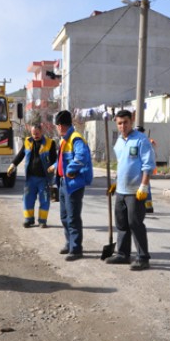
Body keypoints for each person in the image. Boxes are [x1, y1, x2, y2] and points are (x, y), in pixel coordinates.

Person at [106, 110, 156, 271]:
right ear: (116, 124)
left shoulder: (141, 140)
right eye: (119, 123)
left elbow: (148, 166)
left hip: (136, 191)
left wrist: (144, 186)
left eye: (125, 122)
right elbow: (122, 165)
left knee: (135, 223)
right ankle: (123, 254)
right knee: (121, 224)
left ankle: (143, 257)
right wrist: (115, 183)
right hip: (121, 190)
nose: (123, 126)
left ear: (131, 121)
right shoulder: (119, 142)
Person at [48, 110, 93, 261]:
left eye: (57, 125)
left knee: (73, 217)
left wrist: (71, 169)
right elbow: (63, 158)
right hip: (62, 182)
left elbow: (82, 157)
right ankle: (69, 243)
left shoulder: (76, 138)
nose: (57, 128)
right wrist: (55, 166)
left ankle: (76, 249)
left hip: (73, 184)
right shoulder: (64, 140)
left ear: (60, 125)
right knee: (64, 216)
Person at [8, 122, 57, 228]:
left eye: (37, 133)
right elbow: (20, 155)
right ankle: (29, 219)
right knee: (27, 198)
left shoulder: (50, 143)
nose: (35, 135)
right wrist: (13, 164)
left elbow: (55, 159)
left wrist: (54, 168)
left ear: (42, 131)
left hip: (44, 178)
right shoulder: (27, 142)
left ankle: (42, 221)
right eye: (33, 133)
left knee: (44, 199)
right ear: (31, 132)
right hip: (30, 178)